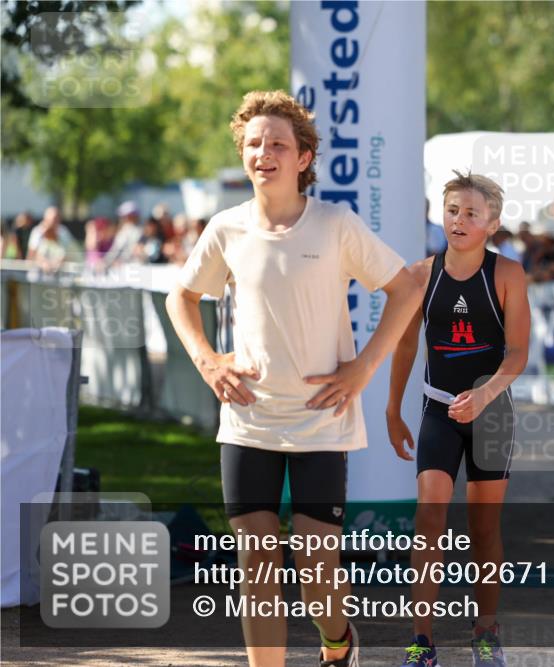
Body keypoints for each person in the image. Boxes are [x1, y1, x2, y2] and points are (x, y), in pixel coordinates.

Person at [166, 89, 421, 667]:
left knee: (316, 569)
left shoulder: (336, 224)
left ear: (303, 157)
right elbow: (180, 297)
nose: (264, 153)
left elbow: (405, 289)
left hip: (321, 422)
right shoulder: (226, 229)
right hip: (248, 419)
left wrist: (363, 368)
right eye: (254, 143)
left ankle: (339, 643)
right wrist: (208, 359)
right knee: (256, 562)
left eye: (278, 143)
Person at [386, 171, 529, 667]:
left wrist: (486, 394)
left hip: (491, 413)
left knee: (483, 529)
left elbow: (517, 354)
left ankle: (486, 634)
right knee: (429, 517)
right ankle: (421, 641)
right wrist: (392, 409)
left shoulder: (508, 274)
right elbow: (406, 343)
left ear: (492, 222)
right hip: (437, 409)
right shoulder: (421, 274)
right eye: (452, 210)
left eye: (471, 213)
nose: (459, 220)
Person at [102, 201, 144, 267]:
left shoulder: (130, 231)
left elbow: (117, 250)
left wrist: (105, 262)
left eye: (124, 216)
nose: (122, 218)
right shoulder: (138, 230)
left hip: (126, 267)